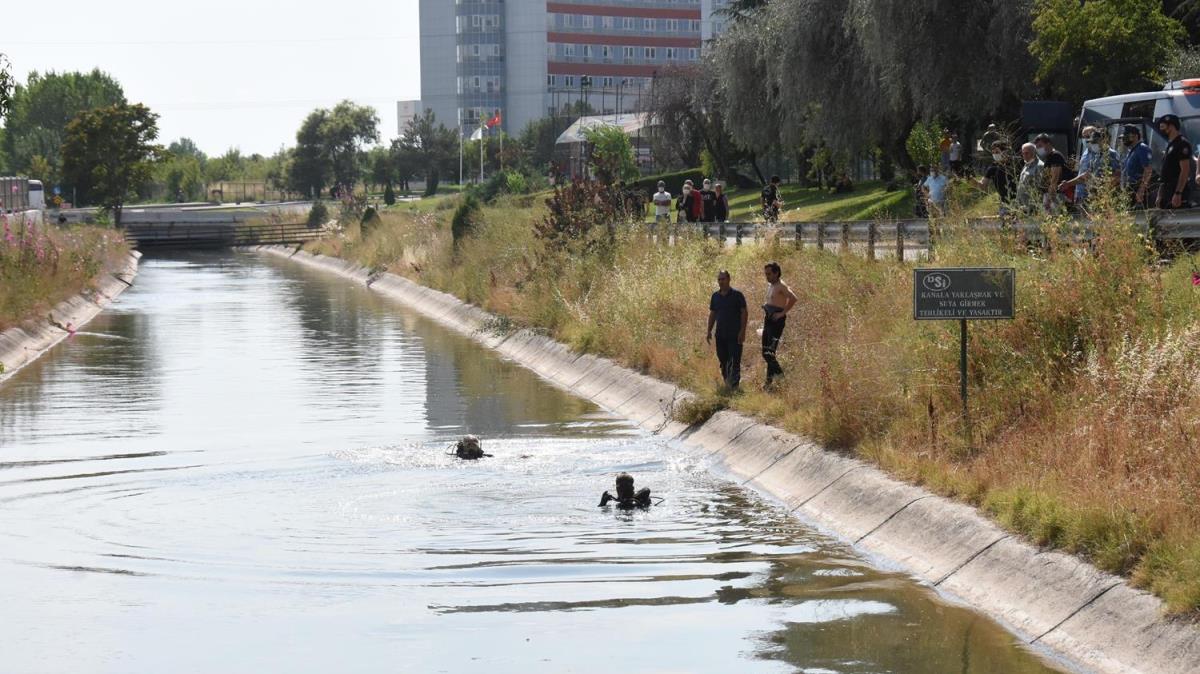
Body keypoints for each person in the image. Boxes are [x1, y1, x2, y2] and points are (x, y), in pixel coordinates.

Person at [707, 270, 748, 389]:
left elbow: (744, 313)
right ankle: (727, 384)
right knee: (723, 361)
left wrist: (742, 331)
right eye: (719, 279)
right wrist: (709, 330)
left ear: (729, 279)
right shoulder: (715, 296)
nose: (721, 282)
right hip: (720, 335)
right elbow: (713, 313)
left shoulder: (737, 295)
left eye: (723, 279)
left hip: (734, 335)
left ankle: (734, 387)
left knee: (734, 361)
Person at [761, 261, 797, 388]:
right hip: (768, 319)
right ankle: (769, 383)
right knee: (766, 352)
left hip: (776, 321)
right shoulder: (771, 285)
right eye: (766, 274)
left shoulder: (781, 285)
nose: (767, 276)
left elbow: (793, 298)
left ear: (776, 273)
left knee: (769, 353)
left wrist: (782, 314)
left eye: (769, 274)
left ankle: (781, 380)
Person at [1064, 127, 1119, 210]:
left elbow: (1117, 175)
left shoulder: (1110, 154)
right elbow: (1085, 175)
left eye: (1087, 136)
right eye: (1083, 137)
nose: (1085, 140)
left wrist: (1103, 192)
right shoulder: (1087, 152)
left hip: (1098, 197)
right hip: (1082, 194)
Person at [1156, 114, 1194, 209]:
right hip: (1167, 192)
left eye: (1163, 127)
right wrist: (1160, 195)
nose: (1161, 130)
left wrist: (1178, 193)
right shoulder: (1170, 145)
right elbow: (1164, 174)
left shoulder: (1182, 144)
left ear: (1172, 126)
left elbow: (1185, 171)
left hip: (1176, 191)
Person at [1034, 133, 1071, 212]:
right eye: (1037, 147)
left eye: (1040, 146)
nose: (1038, 149)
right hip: (1051, 195)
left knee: (1053, 219)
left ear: (1048, 144)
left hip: (1055, 195)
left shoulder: (1055, 156)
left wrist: (1049, 198)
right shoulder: (1049, 157)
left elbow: (1055, 178)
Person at [977, 141, 1016, 214]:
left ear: (1005, 152)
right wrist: (970, 179)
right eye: (993, 153)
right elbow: (982, 185)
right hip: (1004, 203)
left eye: (997, 152)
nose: (995, 155)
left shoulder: (1015, 164)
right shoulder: (993, 168)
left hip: (1020, 201)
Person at [1121, 125, 1154, 207]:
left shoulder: (1142, 149)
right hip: (1130, 190)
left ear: (1135, 136)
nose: (1123, 139)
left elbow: (1148, 170)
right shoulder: (1132, 150)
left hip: (1138, 190)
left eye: (1126, 137)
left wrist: (1141, 190)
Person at [1015, 142, 1044, 215]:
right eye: (1023, 153)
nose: (1024, 155)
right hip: (1022, 206)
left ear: (1033, 152)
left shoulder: (1039, 166)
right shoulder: (1026, 164)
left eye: (1027, 153)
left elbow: (1040, 187)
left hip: (1033, 207)